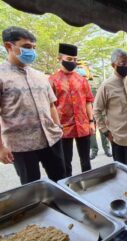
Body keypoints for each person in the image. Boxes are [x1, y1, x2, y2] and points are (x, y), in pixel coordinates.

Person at [0, 26, 66, 184]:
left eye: (34, 48)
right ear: (9, 46)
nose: (32, 52)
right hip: (22, 146)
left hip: (51, 139)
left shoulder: (40, 76)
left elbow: (51, 104)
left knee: (62, 182)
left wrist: (58, 127)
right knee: (32, 189)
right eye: (27, 47)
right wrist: (1, 147)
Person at [49, 43, 95, 177]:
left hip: (83, 125)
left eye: (75, 60)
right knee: (66, 162)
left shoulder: (82, 80)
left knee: (86, 161)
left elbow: (88, 101)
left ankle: (88, 185)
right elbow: (50, 106)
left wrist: (91, 122)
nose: (72, 62)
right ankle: (68, 190)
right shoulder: (52, 80)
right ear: (60, 58)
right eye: (69, 59)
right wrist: (55, 127)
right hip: (63, 127)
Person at [93, 49, 127, 165]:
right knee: (123, 174)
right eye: (122, 63)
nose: (126, 66)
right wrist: (106, 132)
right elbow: (96, 111)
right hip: (118, 139)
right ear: (113, 65)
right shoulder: (106, 86)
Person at [76, 63, 112, 159]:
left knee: (103, 130)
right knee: (92, 133)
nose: (80, 69)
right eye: (78, 67)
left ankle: (107, 148)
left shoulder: (97, 79)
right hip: (88, 112)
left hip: (100, 111)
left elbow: (104, 94)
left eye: (81, 67)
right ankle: (94, 150)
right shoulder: (77, 82)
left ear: (87, 69)